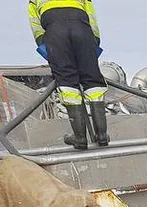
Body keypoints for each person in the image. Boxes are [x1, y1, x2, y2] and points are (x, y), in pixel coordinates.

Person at [28, 0, 109, 150]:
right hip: (81, 27)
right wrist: (94, 39)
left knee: (67, 81)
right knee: (93, 80)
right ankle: (102, 135)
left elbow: (35, 22)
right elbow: (90, 14)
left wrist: (42, 41)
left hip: (54, 29)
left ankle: (80, 138)